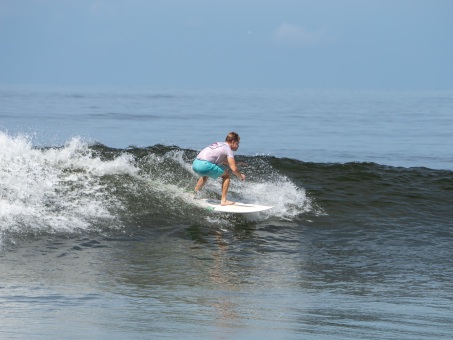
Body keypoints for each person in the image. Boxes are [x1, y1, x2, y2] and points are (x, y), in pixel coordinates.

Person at [192, 132, 246, 206]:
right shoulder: (228, 149)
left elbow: (220, 159)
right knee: (226, 175)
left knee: (206, 174)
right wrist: (241, 176)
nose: (238, 146)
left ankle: (194, 193)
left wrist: (236, 163)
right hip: (205, 165)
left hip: (196, 164)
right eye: (237, 143)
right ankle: (223, 200)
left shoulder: (219, 144)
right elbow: (233, 169)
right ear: (233, 142)